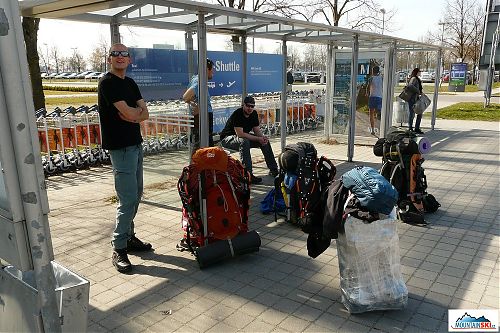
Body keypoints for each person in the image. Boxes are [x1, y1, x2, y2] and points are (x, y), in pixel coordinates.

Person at [98, 43, 153, 273]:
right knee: (127, 198)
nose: (120, 57)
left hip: (135, 145)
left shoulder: (130, 83)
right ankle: (119, 247)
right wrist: (134, 115)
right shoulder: (107, 83)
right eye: (115, 54)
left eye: (124, 54)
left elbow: (145, 113)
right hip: (120, 148)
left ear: (130, 59)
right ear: (109, 59)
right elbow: (134, 112)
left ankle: (129, 238)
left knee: (137, 194)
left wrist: (132, 116)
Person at [219, 96, 279, 184]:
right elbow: (240, 134)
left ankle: (274, 169)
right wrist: (258, 138)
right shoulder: (238, 114)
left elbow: (257, 130)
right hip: (227, 138)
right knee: (244, 142)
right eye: (248, 106)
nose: (250, 108)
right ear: (243, 105)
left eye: (252, 106)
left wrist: (262, 138)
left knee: (264, 142)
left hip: (241, 138)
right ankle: (248, 174)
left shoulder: (254, 114)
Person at [183, 58, 215, 148]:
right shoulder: (199, 81)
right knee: (204, 145)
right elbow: (186, 97)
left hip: (200, 117)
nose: (213, 72)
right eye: (212, 69)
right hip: (202, 117)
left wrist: (194, 105)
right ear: (206, 69)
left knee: (198, 144)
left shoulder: (196, 79)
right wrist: (198, 106)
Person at [366, 65, 383, 135]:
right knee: (379, 113)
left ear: (373, 71)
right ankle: (381, 128)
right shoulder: (382, 78)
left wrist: (367, 94)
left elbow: (367, 88)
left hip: (372, 97)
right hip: (379, 97)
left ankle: (373, 130)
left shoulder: (371, 78)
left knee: (371, 114)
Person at [407, 68, 424, 134]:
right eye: (419, 71)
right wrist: (418, 91)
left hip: (417, 98)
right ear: (416, 72)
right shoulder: (414, 78)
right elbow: (410, 85)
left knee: (420, 113)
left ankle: (417, 128)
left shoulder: (417, 79)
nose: (420, 72)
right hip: (412, 99)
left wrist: (420, 92)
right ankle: (410, 128)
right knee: (412, 114)